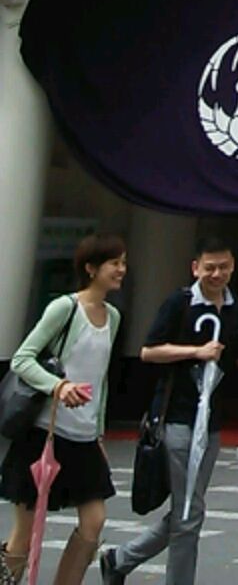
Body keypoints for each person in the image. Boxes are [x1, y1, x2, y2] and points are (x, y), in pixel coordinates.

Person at [99, 232, 238, 585]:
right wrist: (195, 352)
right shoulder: (179, 303)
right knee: (189, 511)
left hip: (210, 424)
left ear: (233, 266)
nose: (217, 274)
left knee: (189, 508)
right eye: (210, 267)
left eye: (224, 267)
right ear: (195, 267)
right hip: (176, 419)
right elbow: (149, 351)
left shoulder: (232, 307)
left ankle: (120, 559)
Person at [1, 231, 127, 585]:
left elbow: (100, 380)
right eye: (114, 263)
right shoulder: (65, 308)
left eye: (123, 263)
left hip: (84, 437)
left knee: (94, 521)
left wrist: (98, 432)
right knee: (26, 531)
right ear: (91, 268)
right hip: (44, 432)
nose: (121, 269)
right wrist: (59, 386)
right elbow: (22, 359)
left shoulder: (113, 317)